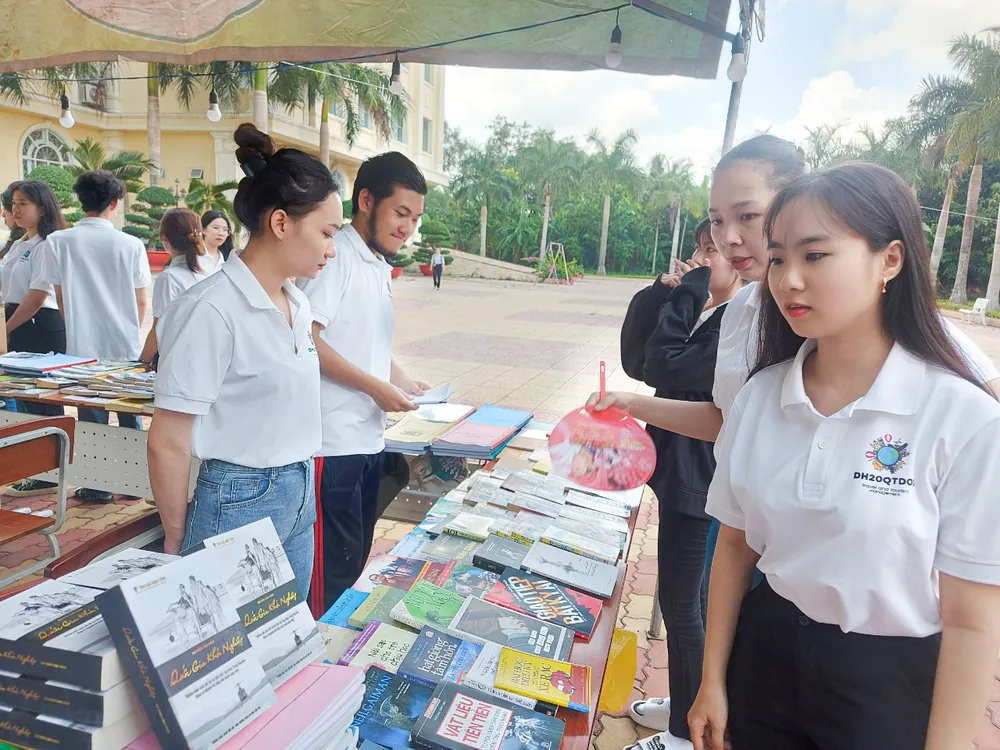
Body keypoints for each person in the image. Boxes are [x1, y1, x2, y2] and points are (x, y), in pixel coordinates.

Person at [592, 134, 1000, 736]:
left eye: (814, 255)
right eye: (779, 257)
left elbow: (973, 620)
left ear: (889, 260)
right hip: (770, 645)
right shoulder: (762, 383)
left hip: (886, 677)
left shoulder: (958, 412)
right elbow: (734, 535)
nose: (788, 279)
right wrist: (711, 682)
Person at [148, 123, 340, 593]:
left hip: (298, 487)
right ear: (280, 223)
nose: (332, 249)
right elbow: (167, 440)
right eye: (327, 232)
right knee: (230, 651)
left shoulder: (297, 304)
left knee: (286, 639)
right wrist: (176, 535)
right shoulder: (211, 309)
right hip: (239, 498)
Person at [618, 218, 740, 748]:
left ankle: (681, 734)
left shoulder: (737, 320)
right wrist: (662, 292)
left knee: (686, 607)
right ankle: (686, 701)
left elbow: (663, 366)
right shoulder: (704, 308)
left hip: (703, 483)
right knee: (681, 602)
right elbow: (634, 361)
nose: (704, 257)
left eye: (716, 249)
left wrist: (690, 292)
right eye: (701, 246)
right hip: (682, 474)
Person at [297, 151, 429, 610]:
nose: (407, 227)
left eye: (414, 218)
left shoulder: (375, 263)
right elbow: (306, 341)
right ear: (367, 200)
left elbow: (361, 340)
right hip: (330, 445)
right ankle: (311, 672)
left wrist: (404, 381)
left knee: (352, 565)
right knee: (329, 577)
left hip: (367, 440)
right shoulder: (336, 258)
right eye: (400, 213)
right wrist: (376, 388)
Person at [33, 170, 152, 503]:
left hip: (81, 344)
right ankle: (132, 484)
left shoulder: (59, 241)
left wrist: (79, 328)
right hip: (123, 342)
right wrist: (128, 328)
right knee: (130, 411)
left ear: (80, 201)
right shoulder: (131, 244)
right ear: (114, 204)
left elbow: (59, 294)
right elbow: (141, 299)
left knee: (91, 413)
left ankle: (99, 487)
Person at [2, 182, 67, 422]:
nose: (15, 209)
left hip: (37, 326)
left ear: (41, 209)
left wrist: (6, 330)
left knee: (41, 403)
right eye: (13, 204)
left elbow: (37, 296)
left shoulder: (47, 244)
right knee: (20, 401)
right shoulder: (19, 244)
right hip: (15, 321)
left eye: (23, 204)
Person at [140, 208, 218, 364]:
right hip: (209, 359)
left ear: (164, 238)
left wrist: (142, 361)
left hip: (179, 362)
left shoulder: (170, 278)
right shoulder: (210, 271)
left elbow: (159, 330)